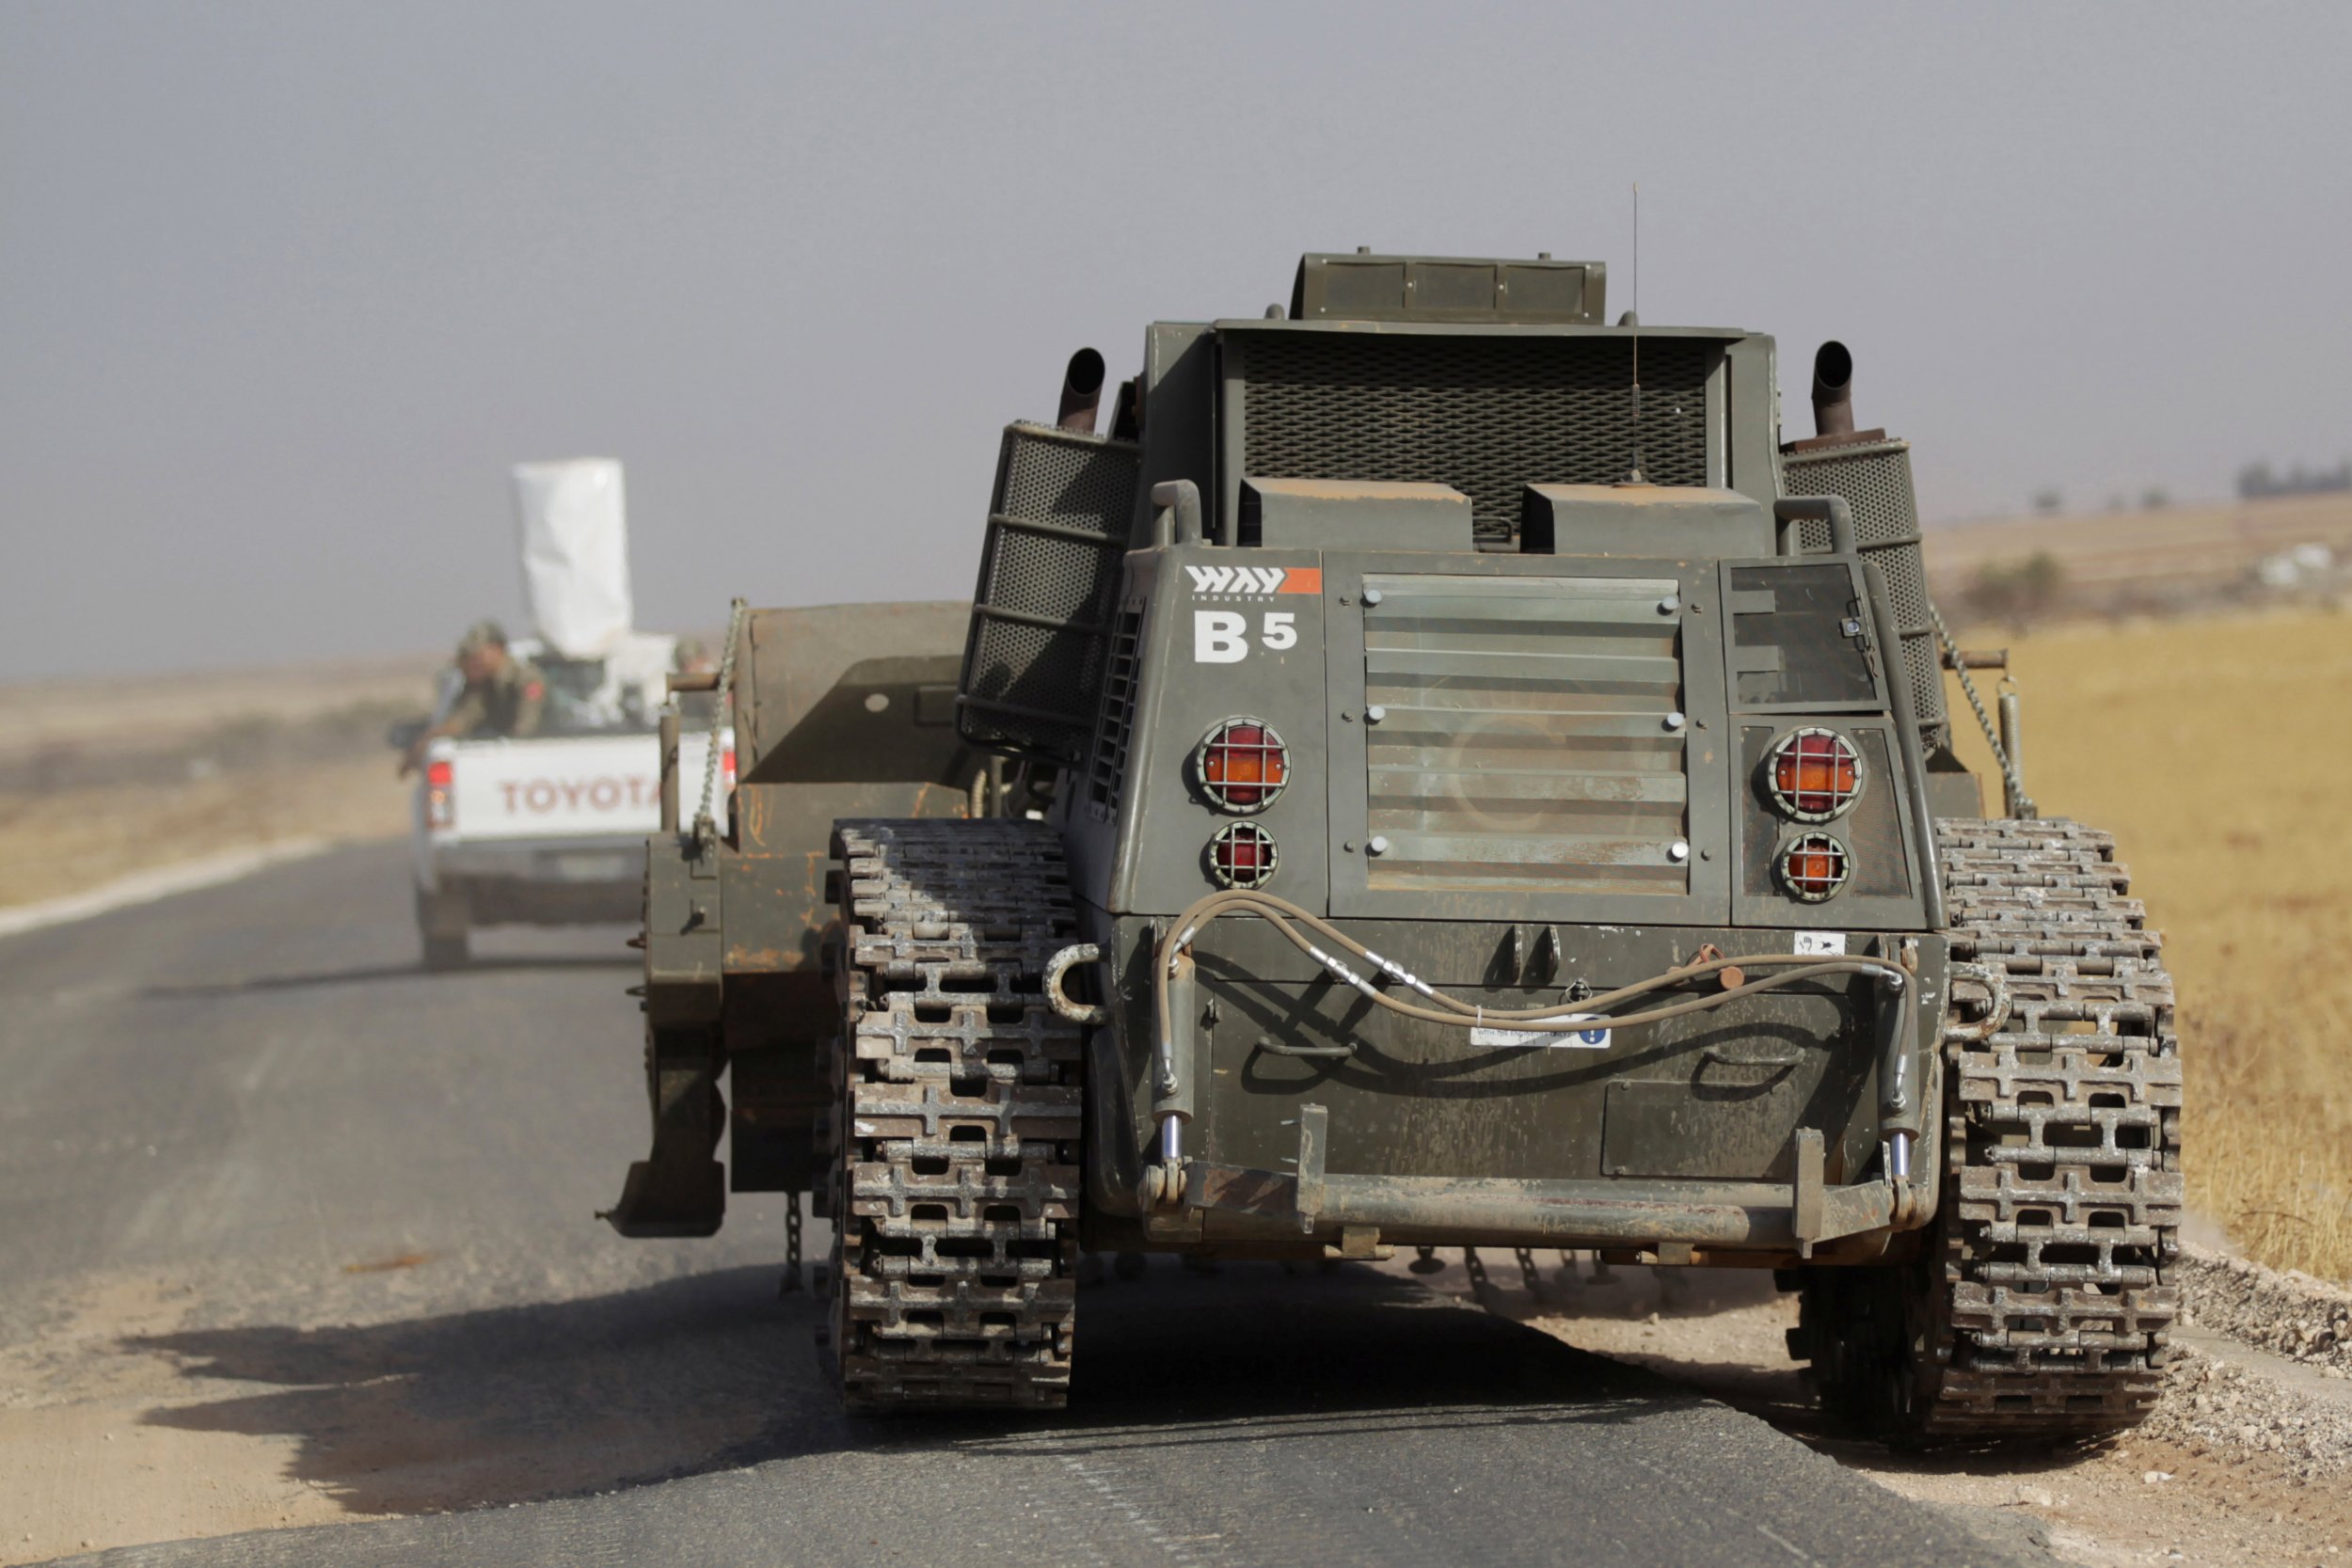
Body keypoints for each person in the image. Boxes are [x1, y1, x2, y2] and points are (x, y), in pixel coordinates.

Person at [399, 620, 548, 775]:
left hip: (532, 763)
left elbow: (526, 728)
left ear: (497, 649)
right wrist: (425, 741)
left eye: (479, 655)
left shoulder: (525, 680)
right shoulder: (482, 688)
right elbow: (462, 720)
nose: (474, 662)